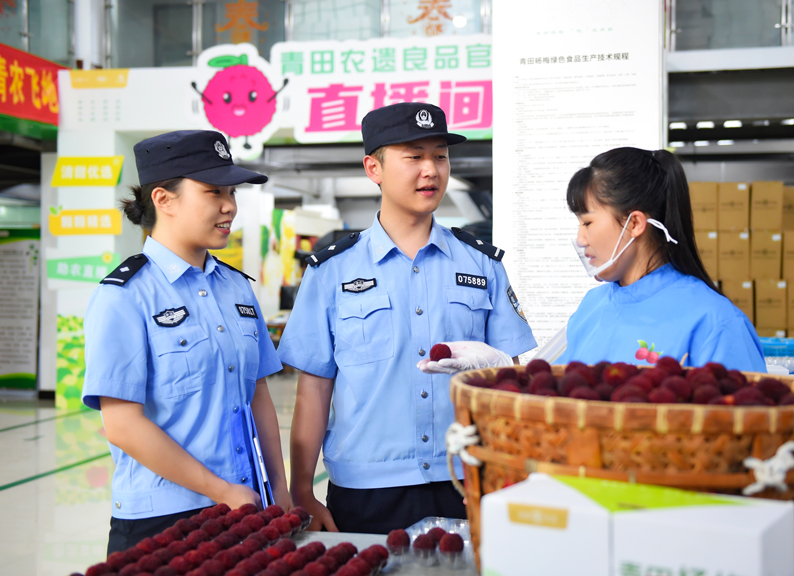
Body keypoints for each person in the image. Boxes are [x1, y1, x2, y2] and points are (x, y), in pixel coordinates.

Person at [278, 103, 537, 534]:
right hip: (366, 491)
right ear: (373, 168)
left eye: (440, 156)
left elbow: (510, 378)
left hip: (467, 475)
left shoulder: (482, 264)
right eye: (413, 157)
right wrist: (301, 490)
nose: (431, 170)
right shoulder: (331, 272)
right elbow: (314, 389)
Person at [81, 130, 291, 555]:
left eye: (231, 191)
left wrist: (279, 491)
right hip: (162, 519)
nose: (230, 205)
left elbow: (259, 394)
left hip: (244, 506)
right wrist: (220, 490)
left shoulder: (237, 289)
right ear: (163, 199)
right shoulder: (124, 295)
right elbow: (122, 425)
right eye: (213, 191)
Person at [557, 146, 766, 371]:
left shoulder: (717, 323)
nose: (580, 239)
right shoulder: (590, 308)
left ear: (635, 223)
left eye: (587, 223)